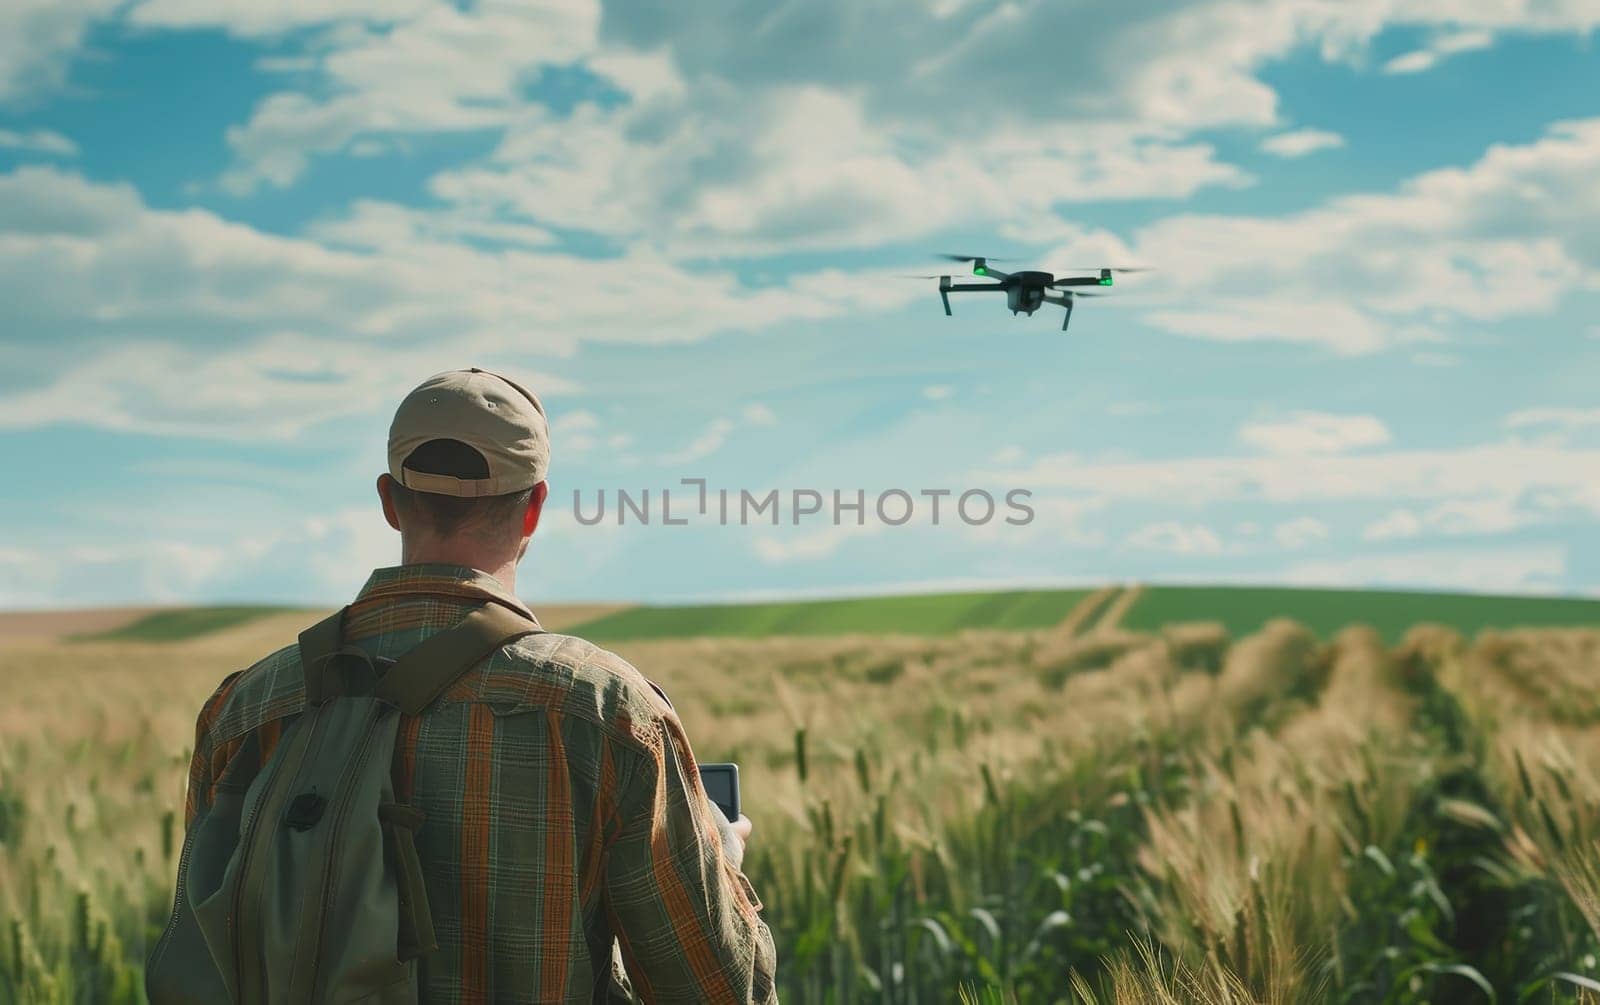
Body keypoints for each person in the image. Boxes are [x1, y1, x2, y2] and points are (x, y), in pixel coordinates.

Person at [177, 367, 778, 1002]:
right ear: (535, 507)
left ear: (388, 500)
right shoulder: (602, 710)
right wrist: (720, 865)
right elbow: (717, 992)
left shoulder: (247, 709)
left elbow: (208, 943)